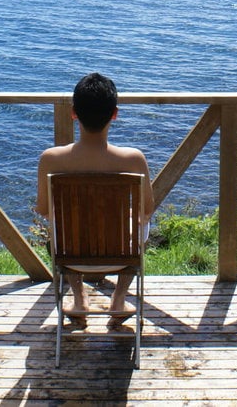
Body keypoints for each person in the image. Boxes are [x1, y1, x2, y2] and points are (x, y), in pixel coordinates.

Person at [36, 72, 154, 330]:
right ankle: (119, 299)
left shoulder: (51, 159)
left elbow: (44, 210)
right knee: (143, 225)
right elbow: (147, 210)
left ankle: (79, 299)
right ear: (115, 114)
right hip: (123, 255)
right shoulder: (134, 159)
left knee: (62, 228)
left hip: (70, 255)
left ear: (73, 113)